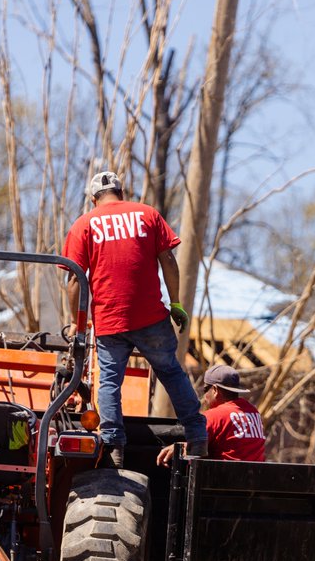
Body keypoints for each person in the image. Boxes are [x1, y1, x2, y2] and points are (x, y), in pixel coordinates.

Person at [63, 170, 207, 467]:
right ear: (122, 192)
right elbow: (168, 260)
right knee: (170, 371)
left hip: (109, 320)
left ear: (94, 199)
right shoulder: (147, 215)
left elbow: (76, 280)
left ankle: (115, 448)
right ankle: (196, 434)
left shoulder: (84, 224)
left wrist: (75, 325)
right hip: (151, 317)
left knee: (110, 382)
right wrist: (176, 303)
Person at [157, 364, 266, 465]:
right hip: (254, 482)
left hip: (222, 482)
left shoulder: (214, 416)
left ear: (215, 390)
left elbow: (196, 448)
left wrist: (178, 448)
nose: (204, 397)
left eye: (205, 389)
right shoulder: (254, 412)